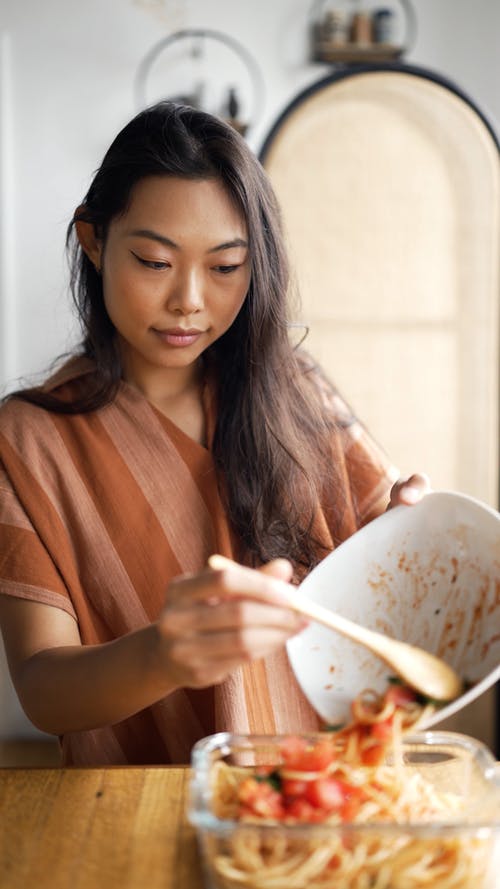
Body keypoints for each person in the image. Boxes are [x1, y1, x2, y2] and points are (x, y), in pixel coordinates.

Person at [0, 102, 429, 765]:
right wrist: (162, 653)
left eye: (225, 267)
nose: (190, 300)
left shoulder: (297, 390)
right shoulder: (30, 439)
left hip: (332, 796)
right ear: (92, 241)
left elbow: (387, 580)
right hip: (141, 812)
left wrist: (416, 535)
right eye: (153, 261)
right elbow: (42, 688)